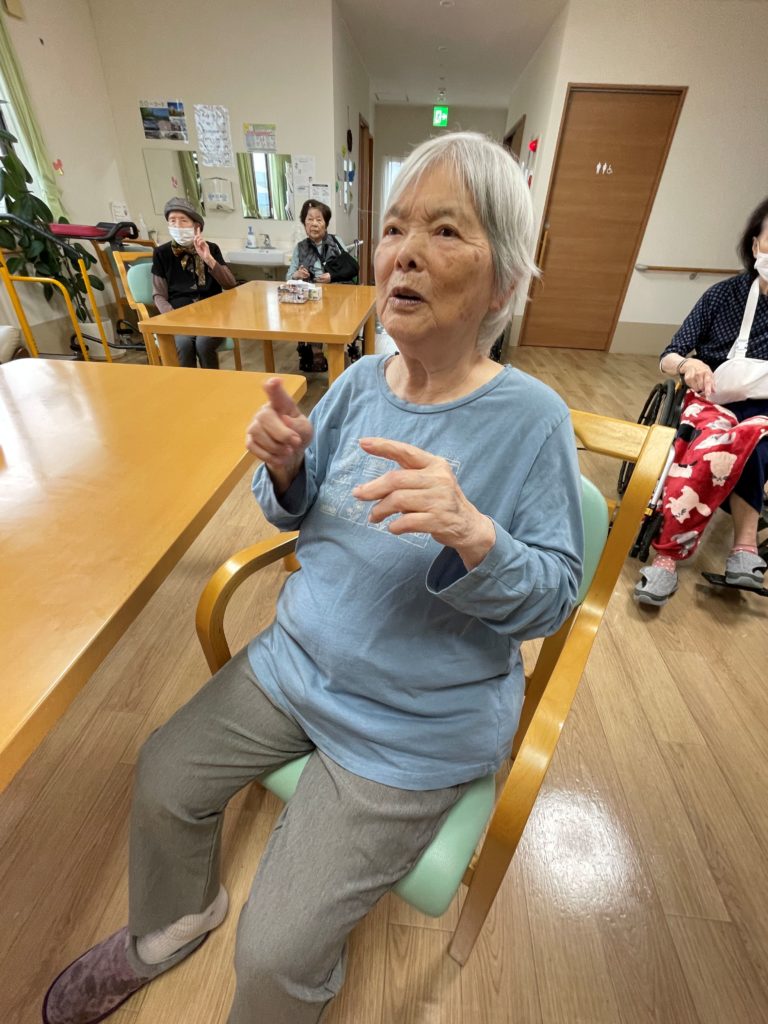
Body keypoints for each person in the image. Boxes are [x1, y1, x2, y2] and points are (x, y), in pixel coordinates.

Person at [42, 132, 584, 1024]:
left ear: (504, 283)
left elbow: (557, 595)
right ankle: (173, 922)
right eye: (396, 228)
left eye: (446, 230)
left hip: (412, 725)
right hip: (295, 664)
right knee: (165, 774)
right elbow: (292, 512)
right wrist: (290, 469)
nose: (404, 252)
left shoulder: (533, 420)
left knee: (276, 952)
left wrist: (475, 535)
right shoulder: (363, 379)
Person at [634, 197, 768, 606]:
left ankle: (743, 548)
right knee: (711, 447)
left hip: (763, 406)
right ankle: (666, 557)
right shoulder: (723, 295)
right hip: (712, 397)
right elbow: (669, 355)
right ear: (755, 245)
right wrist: (689, 364)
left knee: (755, 438)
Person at [151, 198, 237, 369]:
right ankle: (189, 384)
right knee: (183, 344)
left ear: (196, 226)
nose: (177, 226)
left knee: (204, 343)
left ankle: (212, 382)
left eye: (183, 220)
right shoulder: (162, 253)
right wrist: (173, 317)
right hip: (179, 316)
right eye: (172, 221)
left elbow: (230, 284)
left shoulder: (212, 248)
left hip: (212, 316)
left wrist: (208, 259)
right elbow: (159, 294)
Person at [286, 199, 348, 373]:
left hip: (338, 297)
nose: (314, 224)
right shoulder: (300, 248)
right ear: (304, 223)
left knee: (335, 317)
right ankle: (316, 351)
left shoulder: (336, 242)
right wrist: (297, 275)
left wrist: (332, 275)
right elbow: (288, 277)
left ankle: (338, 354)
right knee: (312, 313)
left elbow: (350, 267)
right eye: (310, 219)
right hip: (312, 299)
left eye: (319, 219)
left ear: (326, 224)